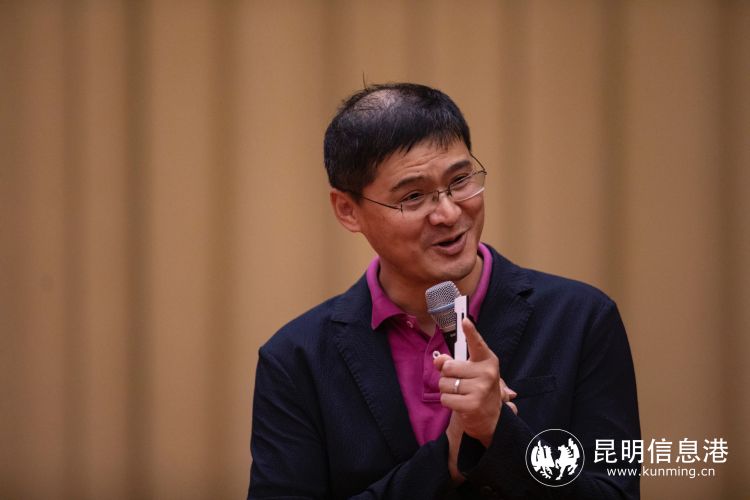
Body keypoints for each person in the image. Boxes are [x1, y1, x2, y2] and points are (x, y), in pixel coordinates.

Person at [248, 83, 640, 499]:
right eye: (414, 196)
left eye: (461, 180)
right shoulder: (297, 359)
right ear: (348, 210)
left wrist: (499, 432)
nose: (449, 213)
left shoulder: (580, 319)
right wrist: (444, 463)